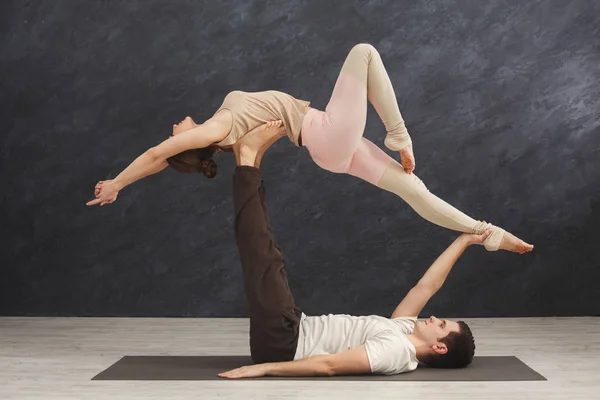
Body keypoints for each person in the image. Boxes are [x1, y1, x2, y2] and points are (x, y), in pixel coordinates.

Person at [87, 43, 533, 254]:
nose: (173, 126)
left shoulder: (227, 131)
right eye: (174, 135)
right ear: (185, 145)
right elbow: (155, 155)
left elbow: (169, 157)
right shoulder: (215, 129)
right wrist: (118, 183)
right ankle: (398, 133)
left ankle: (485, 232)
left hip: (327, 146)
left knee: (414, 191)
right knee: (364, 52)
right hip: (326, 134)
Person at [217, 122, 487, 379]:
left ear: (440, 348)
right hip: (293, 326)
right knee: (265, 249)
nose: (434, 318)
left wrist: (265, 369)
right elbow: (426, 287)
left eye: (441, 326)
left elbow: (330, 366)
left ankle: (248, 158)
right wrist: (464, 241)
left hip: (284, 342)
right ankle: (250, 159)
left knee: (261, 253)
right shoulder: (402, 330)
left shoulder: (395, 352)